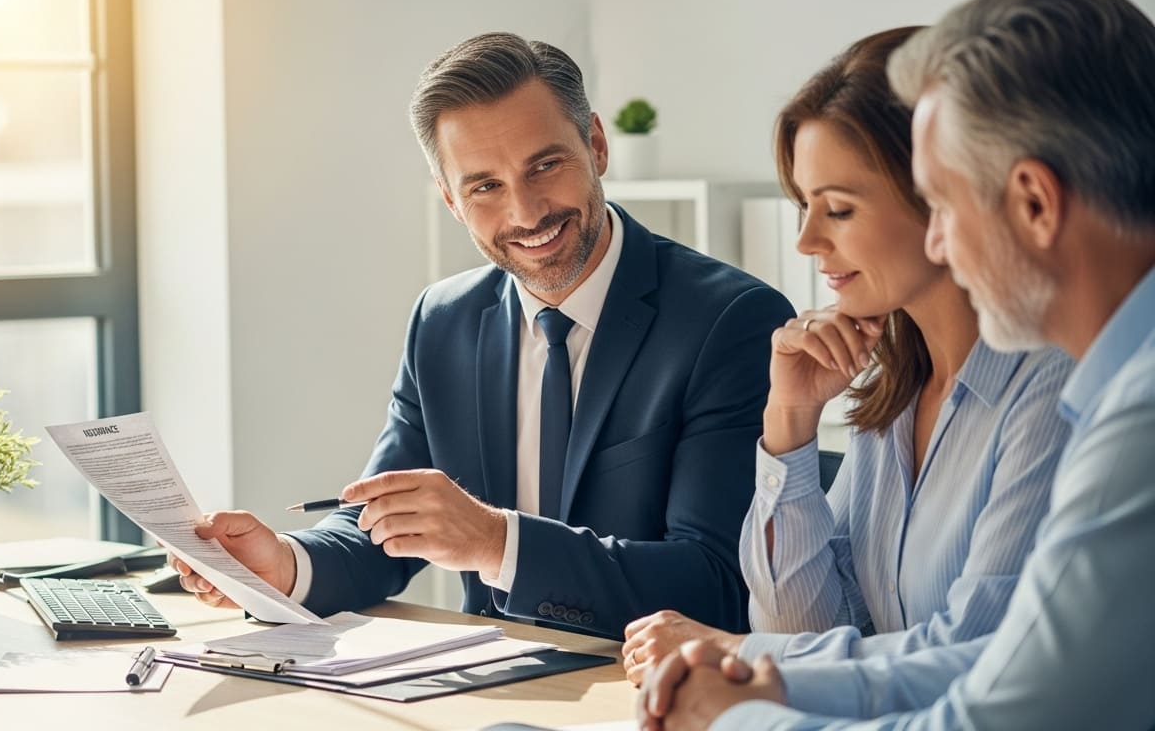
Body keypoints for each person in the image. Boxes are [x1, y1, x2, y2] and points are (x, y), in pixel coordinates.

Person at [638, 0, 1155, 730]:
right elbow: (996, 661)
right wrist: (767, 679)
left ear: (1035, 203)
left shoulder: (1121, 408)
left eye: (943, 203)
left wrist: (736, 711)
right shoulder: (903, 382)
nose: (940, 241)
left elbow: (996, 706)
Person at [170, 32, 794, 638]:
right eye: (486, 187)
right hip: (488, 694)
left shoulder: (731, 321)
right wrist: (284, 564)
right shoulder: (442, 321)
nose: (526, 213)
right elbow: (384, 531)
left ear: (596, 145)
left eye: (545, 165)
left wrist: (496, 542)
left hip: (652, 693)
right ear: (449, 199)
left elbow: (717, 585)